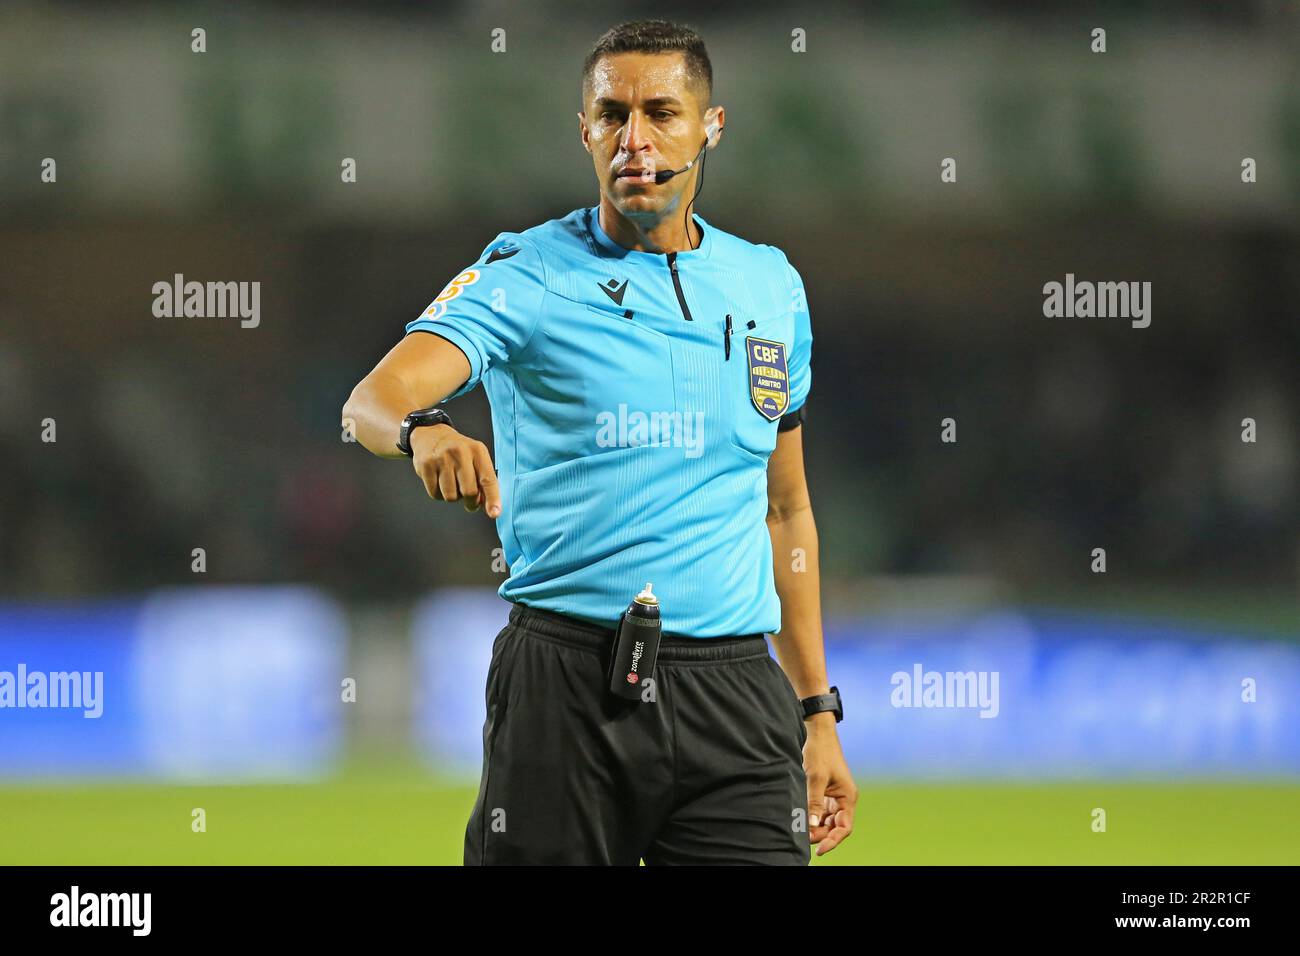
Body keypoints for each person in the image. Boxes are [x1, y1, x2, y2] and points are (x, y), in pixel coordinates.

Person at [343, 19, 856, 865]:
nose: (635, 139)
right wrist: (423, 432)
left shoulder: (771, 285)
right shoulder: (526, 276)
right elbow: (373, 398)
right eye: (612, 115)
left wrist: (818, 714)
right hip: (567, 688)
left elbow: (786, 510)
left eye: (662, 113)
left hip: (736, 697)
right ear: (584, 130)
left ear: (711, 127)